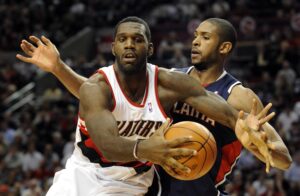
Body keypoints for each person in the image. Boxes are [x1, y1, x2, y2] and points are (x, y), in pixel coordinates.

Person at [17, 17, 281, 195]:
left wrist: (242, 124)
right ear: (114, 48)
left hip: (137, 186)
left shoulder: (171, 84)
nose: (130, 44)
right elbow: (108, 144)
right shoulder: (96, 87)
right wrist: (144, 148)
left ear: (150, 47)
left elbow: (220, 110)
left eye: (137, 39)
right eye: (123, 39)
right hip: (85, 178)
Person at [151, 18, 292, 196]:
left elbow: (285, 161)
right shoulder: (170, 79)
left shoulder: (240, 97)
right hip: (153, 188)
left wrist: (265, 146)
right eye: (195, 36)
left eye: (205, 37)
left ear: (224, 48)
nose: (195, 41)